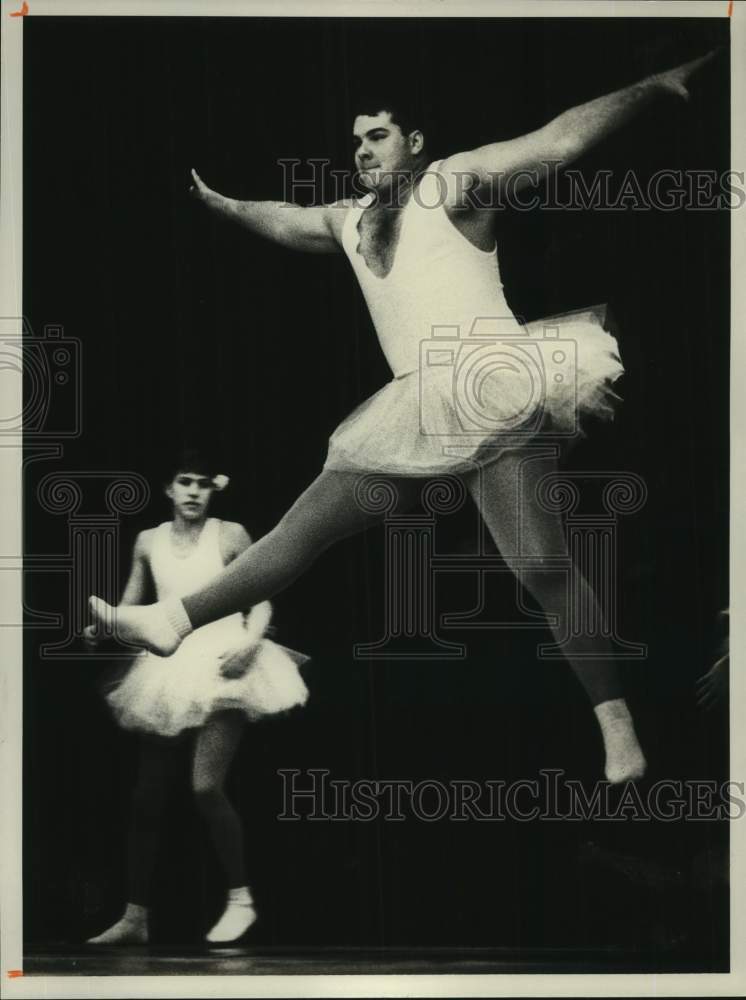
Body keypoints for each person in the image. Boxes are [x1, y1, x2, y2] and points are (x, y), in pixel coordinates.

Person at [89, 51, 717, 785]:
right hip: (412, 405)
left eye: (377, 136)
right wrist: (228, 206)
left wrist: (648, 87)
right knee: (301, 532)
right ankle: (172, 620)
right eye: (355, 140)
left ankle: (618, 727)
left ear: (414, 142)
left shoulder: (457, 182)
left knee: (543, 566)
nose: (362, 150)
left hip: (492, 381)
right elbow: (285, 220)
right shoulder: (349, 217)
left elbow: (558, 140)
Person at [85, 451, 309, 945]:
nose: (193, 492)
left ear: (214, 491)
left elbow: (263, 592)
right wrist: (105, 625)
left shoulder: (230, 535)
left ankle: (241, 900)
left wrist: (251, 642)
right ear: (169, 489)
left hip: (226, 660)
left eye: (203, 484)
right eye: (184, 482)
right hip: (167, 667)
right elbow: (131, 604)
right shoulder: (149, 542)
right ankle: (135, 917)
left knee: (205, 787)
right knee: (147, 797)